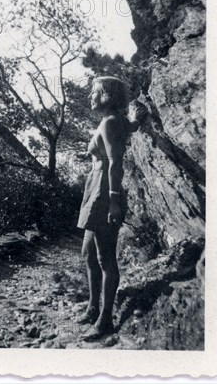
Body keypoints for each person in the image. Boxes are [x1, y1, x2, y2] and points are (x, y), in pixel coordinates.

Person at [76, 76, 147, 340]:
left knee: (105, 258)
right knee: (88, 254)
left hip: (105, 194)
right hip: (95, 189)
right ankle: (93, 308)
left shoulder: (111, 122)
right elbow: (129, 128)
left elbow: (116, 163)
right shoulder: (115, 121)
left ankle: (105, 320)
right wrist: (137, 121)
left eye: (94, 92)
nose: (90, 97)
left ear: (107, 95)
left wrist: (115, 203)